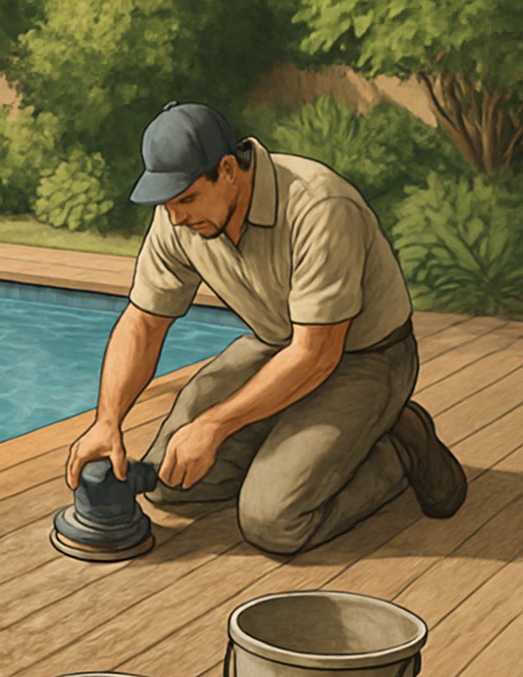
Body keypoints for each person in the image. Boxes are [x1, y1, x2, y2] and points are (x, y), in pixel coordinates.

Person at [66, 102, 466, 555]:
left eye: (187, 199)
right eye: (167, 203)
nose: (175, 218)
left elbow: (318, 355)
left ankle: (400, 446)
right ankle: (300, 448)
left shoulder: (319, 206)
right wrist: (107, 421)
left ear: (229, 170)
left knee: (272, 521)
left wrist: (215, 425)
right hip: (278, 348)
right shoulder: (177, 217)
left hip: (369, 357)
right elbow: (143, 322)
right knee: (168, 482)